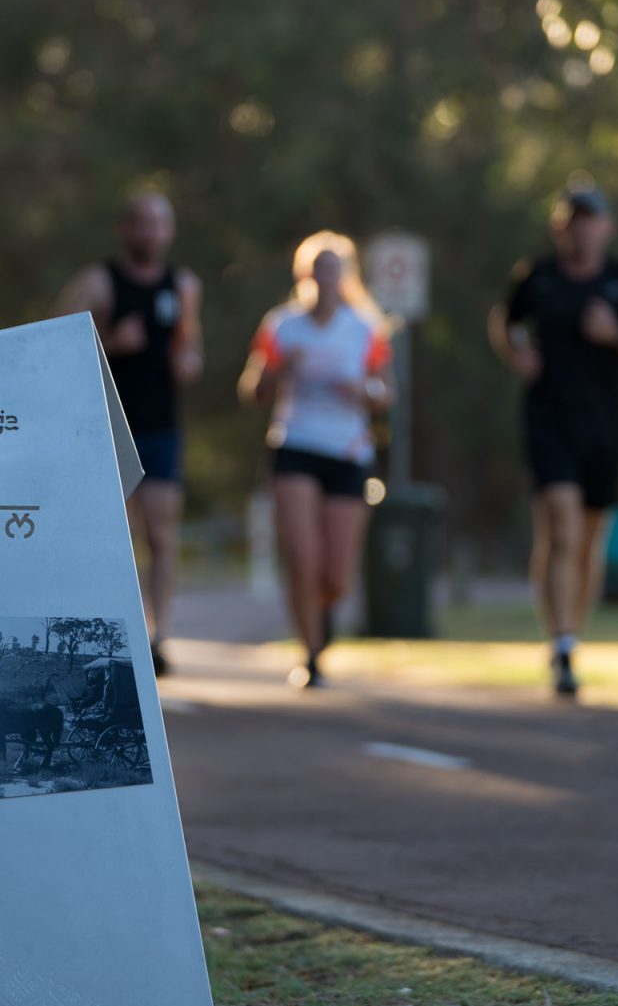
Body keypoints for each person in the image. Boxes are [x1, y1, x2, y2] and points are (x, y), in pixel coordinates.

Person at [488, 184, 618, 697]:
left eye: (590, 220)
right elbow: (505, 322)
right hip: (549, 421)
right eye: (572, 220)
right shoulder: (538, 277)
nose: (581, 229)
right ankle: (562, 643)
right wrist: (517, 352)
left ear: (606, 227)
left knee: (589, 539)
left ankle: (572, 633)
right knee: (562, 529)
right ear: (559, 227)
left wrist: (617, 335)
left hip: (604, 427)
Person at [239, 231, 395, 689]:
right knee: (302, 559)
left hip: (348, 452)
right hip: (295, 446)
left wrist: (363, 391)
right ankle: (309, 654)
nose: (325, 278)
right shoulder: (282, 326)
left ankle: (322, 616)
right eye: (317, 269)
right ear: (304, 275)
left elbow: (387, 393)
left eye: (334, 269)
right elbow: (252, 390)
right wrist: (281, 370)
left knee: (335, 575)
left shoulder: (366, 328)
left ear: (344, 276)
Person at [56, 190, 203, 676]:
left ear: (170, 230)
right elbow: (55, 344)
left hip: (160, 427)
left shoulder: (183, 285)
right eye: (141, 223)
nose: (150, 232)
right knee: (107, 537)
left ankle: (159, 635)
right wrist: (114, 343)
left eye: (159, 223)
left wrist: (187, 362)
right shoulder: (98, 282)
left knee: (160, 535)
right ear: (125, 229)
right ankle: (107, 631)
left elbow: (190, 353)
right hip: (106, 427)